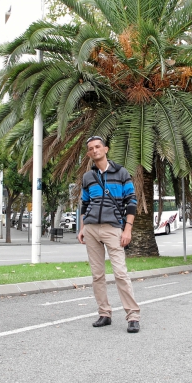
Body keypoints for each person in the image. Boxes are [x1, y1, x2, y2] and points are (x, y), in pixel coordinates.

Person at [78, 136, 141, 333]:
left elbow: (131, 201)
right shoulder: (88, 177)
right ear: (89, 153)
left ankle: (133, 316)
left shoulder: (121, 172)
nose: (94, 150)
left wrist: (127, 229)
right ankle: (104, 313)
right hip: (91, 229)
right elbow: (85, 204)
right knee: (97, 275)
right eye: (91, 148)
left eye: (98, 147)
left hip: (113, 228)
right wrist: (82, 228)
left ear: (105, 149)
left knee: (120, 273)